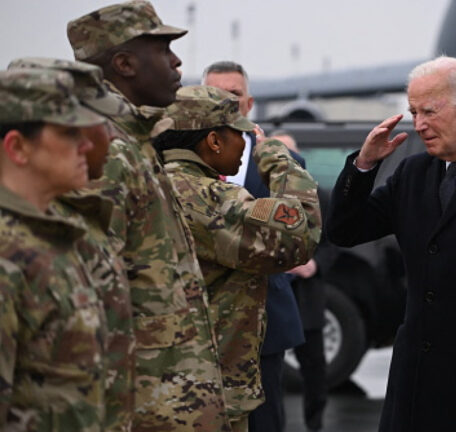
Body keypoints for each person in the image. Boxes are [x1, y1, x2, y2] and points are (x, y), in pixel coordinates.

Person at [326, 56, 456, 432]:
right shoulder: (413, 173)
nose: (419, 125)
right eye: (413, 112)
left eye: (429, 111)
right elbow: (345, 231)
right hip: (415, 382)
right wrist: (363, 166)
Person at [67, 2, 231, 430]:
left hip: (168, 400)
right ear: (124, 64)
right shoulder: (107, 152)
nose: (176, 63)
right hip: (144, 406)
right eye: (163, 50)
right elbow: (91, 301)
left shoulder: (132, 143)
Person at [152, 85, 321, 432]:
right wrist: (275, 156)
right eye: (240, 135)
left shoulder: (151, 185)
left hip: (162, 381)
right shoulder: (210, 199)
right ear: (214, 141)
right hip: (203, 394)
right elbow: (298, 238)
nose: (246, 145)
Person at [7, 56, 135, 432]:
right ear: (18, 148)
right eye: (68, 133)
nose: (87, 145)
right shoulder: (9, 251)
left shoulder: (53, 234)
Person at [201, 61, 307, 432]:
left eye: (233, 94)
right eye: (214, 93)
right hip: (201, 319)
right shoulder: (181, 162)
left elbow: (298, 229)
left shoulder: (284, 162)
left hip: (264, 317)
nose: (224, 101)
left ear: (249, 103)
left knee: (265, 419)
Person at [272, 130, 335, 432]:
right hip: (273, 291)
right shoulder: (259, 194)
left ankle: (315, 424)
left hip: (306, 293)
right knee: (271, 367)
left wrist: (314, 264)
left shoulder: (319, 196)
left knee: (314, 366)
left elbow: (335, 243)